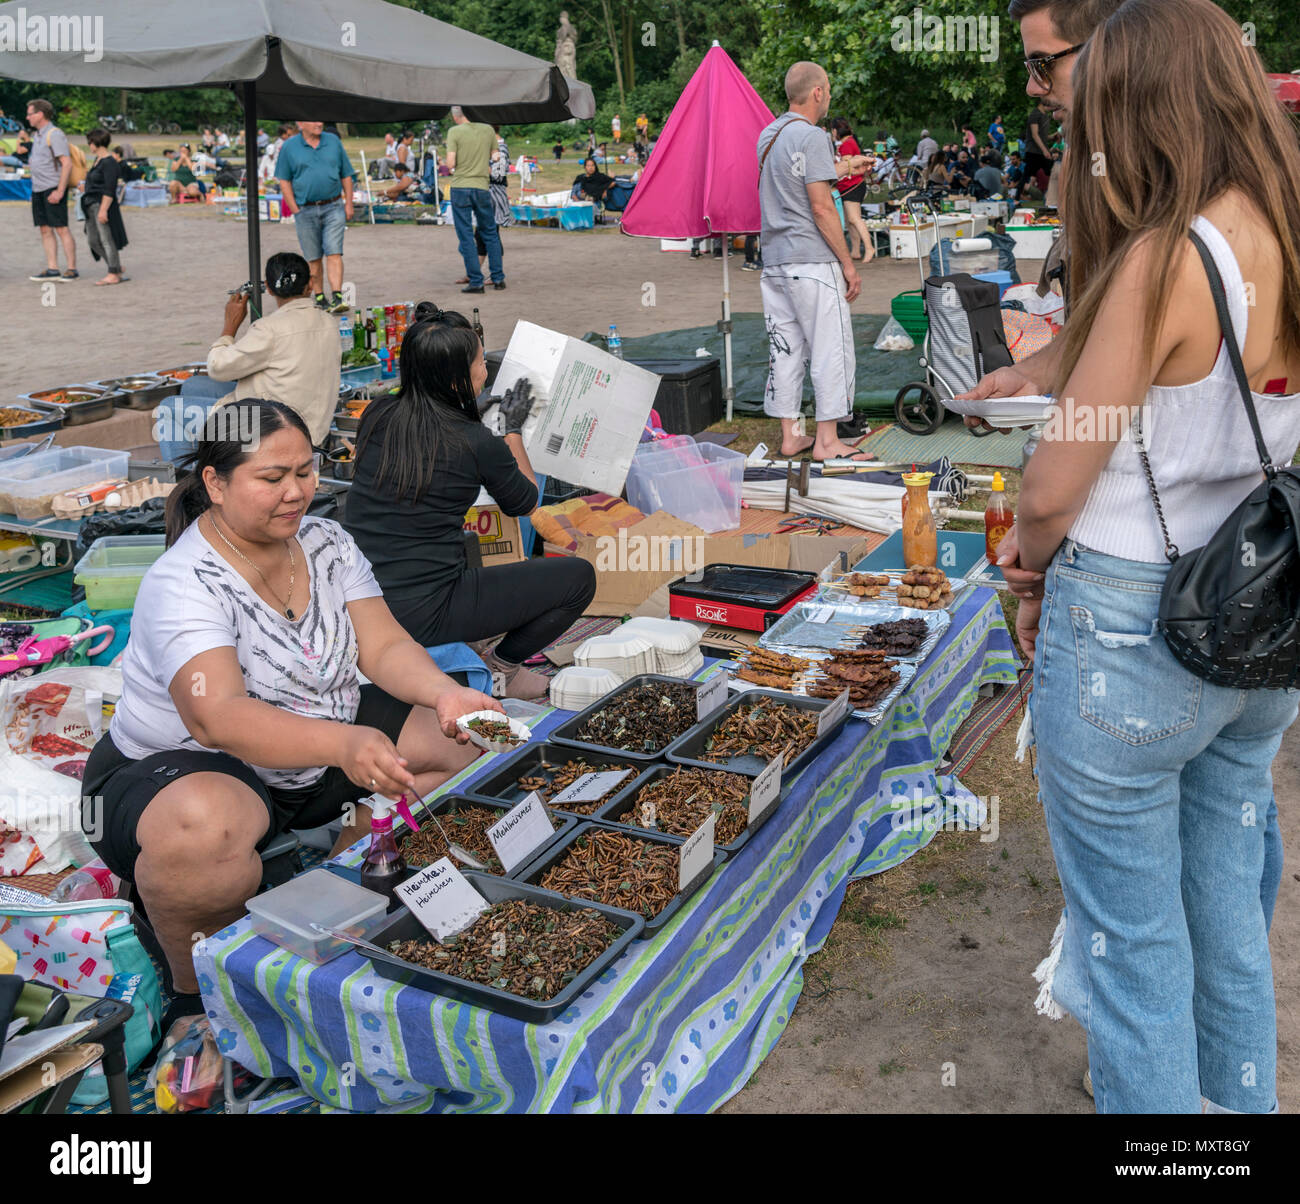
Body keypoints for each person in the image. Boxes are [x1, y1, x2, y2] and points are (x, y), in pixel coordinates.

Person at [1014, 0, 1300, 1115]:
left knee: (1133, 945)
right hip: (1258, 614)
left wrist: (1028, 566)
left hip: (1134, 618)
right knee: (1226, 917)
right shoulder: (1283, 226)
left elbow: (1052, 481)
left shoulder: (1166, 255)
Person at [82, 398, 498, 1023]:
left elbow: (382, 645)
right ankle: (199, 997)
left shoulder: (326, 541)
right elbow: (216, 717)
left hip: (321, 742)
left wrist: (444, 694)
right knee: (206, 829)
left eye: (305, 472)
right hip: (189, 768)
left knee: (467, 745)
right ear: (215, 484)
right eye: (272, 479)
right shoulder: (184, 581)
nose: (296, 492)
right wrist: (343, 745)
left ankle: (335, 892)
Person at [344, 304, 597, 701]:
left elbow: (426, 437)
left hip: (360, 602)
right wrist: (511, 430)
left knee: (464, 549)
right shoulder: (475, 441)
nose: (485, 371)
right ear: (461, 377)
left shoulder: (377, 414)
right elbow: (525, 501)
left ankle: (472, 649)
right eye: (481, 362)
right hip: (426, 610)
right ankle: (501, 669)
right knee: (578, 579)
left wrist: (470, 414)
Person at [756, 62, 875, 462]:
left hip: (774, 261)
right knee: (831, 348)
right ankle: (827, 442)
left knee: (786, 348)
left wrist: (847, 166)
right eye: (828, 89)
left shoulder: (768, 136)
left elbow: (800, 178)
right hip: (811, 259)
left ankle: (792, 436)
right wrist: (848, 262)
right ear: (818, 92)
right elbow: (822, 206)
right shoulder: (812, 136)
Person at [156, 253, 341, 464]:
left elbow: (217, 367)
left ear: (268, 288)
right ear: (310, 285)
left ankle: (187, 482)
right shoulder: (329, 322)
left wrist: (230, 326)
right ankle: (216, 461)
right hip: (310, 423)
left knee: (168, 408)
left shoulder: (270, 329)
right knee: (193, 386)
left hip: (273, 431)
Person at [275, 120, 356, 314]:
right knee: (313, 257)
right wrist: (295, 209)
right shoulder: (289, 147)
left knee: (334, 251)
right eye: (314, 120)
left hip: (333, 206)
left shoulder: (333, 142)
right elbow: (284, 180)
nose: (319, 123)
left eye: (320, 120)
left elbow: (346, 174)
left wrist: (349, 203)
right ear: (301, 123)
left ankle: (337, 296)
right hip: (305, 209)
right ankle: (320, 297)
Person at [445, 106, 504, 294]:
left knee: (466, 234)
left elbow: (451, 163)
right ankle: (498, 278)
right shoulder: (488, 129)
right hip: (481, 187)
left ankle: (476, 280)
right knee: (490, 233)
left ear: (456, 117)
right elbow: (496, 156)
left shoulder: (454, 132)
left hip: (461, 186)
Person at [25, 98, 77, 281]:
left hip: (53, 188)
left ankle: (72, 268)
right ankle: (52, 268)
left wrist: (60, 191)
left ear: (40, 114)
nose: (27, 117)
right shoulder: (37, 135)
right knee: (45, 229)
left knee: (61, 228)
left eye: (30, 114)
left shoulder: (54, 134)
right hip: (38, 189)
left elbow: (67, 163)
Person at [81, 128, 128, 287]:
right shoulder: (97, 160)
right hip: (90, 204)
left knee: (107, 240)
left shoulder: (109, 162)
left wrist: (103, 210)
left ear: (96, 142)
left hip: (102, 204)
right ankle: (115, 266)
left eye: (90, 142)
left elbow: (109, 188)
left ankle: (113, 273)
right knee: (93, 240)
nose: (89, 145)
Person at [830, 117, 872, 262]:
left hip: (852, 186)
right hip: (851, 186)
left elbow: (848, 168)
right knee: (850, 221)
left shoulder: (846, 145)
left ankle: (869, 248)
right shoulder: (848, 143)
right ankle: (855, 251)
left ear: (835, 131)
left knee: (854, 218)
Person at [1023, 97, 1054, 192]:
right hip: (1033, 151)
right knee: (1026, 175)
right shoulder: (1035, 114)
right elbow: (1035, 134)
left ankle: (1050, 194)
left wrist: (1053, 136)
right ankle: (1017, 197)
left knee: (1052, 172)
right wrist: (1045, 150)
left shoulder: (1044, 116)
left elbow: (1043, 136)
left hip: (1041, 151)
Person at [489, 125, 513, 230]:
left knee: (490, 235)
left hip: (495, 195)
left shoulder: (501, 149)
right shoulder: (494, 148)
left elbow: (498, 174)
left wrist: (479, 164)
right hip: (491, 195)